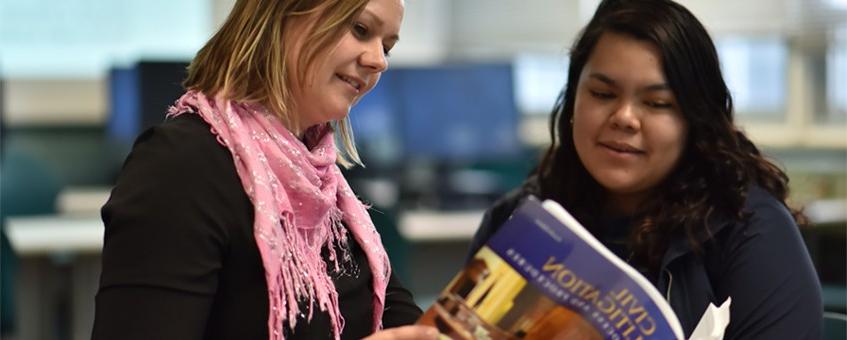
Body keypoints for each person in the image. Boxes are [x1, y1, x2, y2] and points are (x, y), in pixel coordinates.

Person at [467, 0, 822, 339]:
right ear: (573, 99)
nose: (624, 118)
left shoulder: (750, 231)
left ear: (694, 122)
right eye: (603, 94)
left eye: (657, 103)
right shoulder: (517, 221)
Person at [91, 0, 438, 339]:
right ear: (285, 13)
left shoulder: (322, 183)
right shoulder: (179, 167)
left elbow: (403, 323)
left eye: (387, 48)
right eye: (360, 29)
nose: (378, 61)